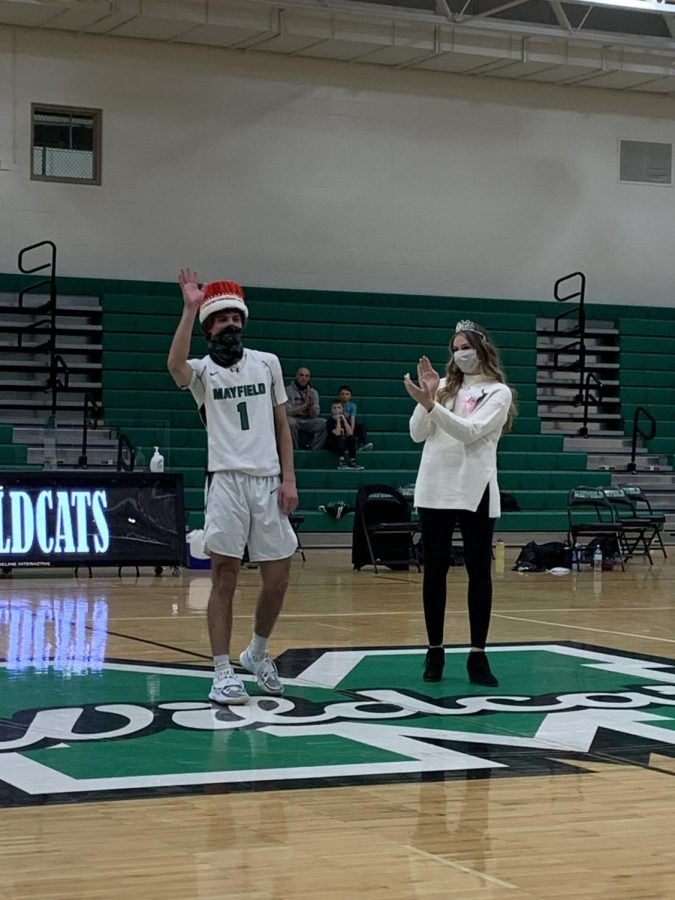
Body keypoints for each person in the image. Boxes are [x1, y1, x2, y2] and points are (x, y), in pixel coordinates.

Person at [168, 269, 298, 705]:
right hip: (225, 480)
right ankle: (221, 671)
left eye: (235, 318)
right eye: (221, 320)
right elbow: (174, 366)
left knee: (278, 576)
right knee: (225, 575)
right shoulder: (202, 372)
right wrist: (189, 309)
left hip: (267, 480)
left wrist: (289, 478)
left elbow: (283, 425)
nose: (231, 326)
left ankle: (256, 652)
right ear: (209, 327)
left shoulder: (268, 363)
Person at [403, 319, 516, 687]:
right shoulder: (446, 389)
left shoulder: (498, 392)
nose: (459, 354)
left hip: (475, 487)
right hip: (435, 484)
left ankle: (477, 656)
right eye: (454, 348)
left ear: (481, 348)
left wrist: (433, 407)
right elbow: (418, 433)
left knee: (478, 571)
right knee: (434, 570)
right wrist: (428, 399)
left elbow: (469, 433)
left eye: (464, 346)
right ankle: (434, 651)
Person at [286, 367, 326, 450]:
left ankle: (314, 450)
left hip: (308, 420)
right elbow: (288, 412)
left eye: (307, 376)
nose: (304, 378)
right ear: (296, 376)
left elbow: (315, 415)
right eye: (301, 375)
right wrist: (305, 405)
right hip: (294, 418)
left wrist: (310, 405)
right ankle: (294, 450)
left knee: (324, 423)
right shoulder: (288, 390)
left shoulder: (313, 392)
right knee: (290, 422)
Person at [324, 399, 363, 469]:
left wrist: (344, 420)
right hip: (333, 443)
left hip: (343, 444)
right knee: (341, 437)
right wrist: (338, 420)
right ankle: (342, 461)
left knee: (351, 438)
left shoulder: (346, 419)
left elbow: (350, 432)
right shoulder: (329, 421)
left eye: (339, 408)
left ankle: (352, 460)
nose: (337, 410)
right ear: (331, 410)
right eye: (334, 408)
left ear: (342, 409)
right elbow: (337, 433)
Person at [338, 385, 373, 451]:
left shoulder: (352, 406)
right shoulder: (337, 405)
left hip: (349, 425)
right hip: (341, 426)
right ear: (339, 396)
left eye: (347, 394)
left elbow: (352, 419)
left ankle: (361, 445)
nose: (344, 396)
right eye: (342, 394)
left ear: (350, 396)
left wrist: (351, 430)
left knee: (362, 427)